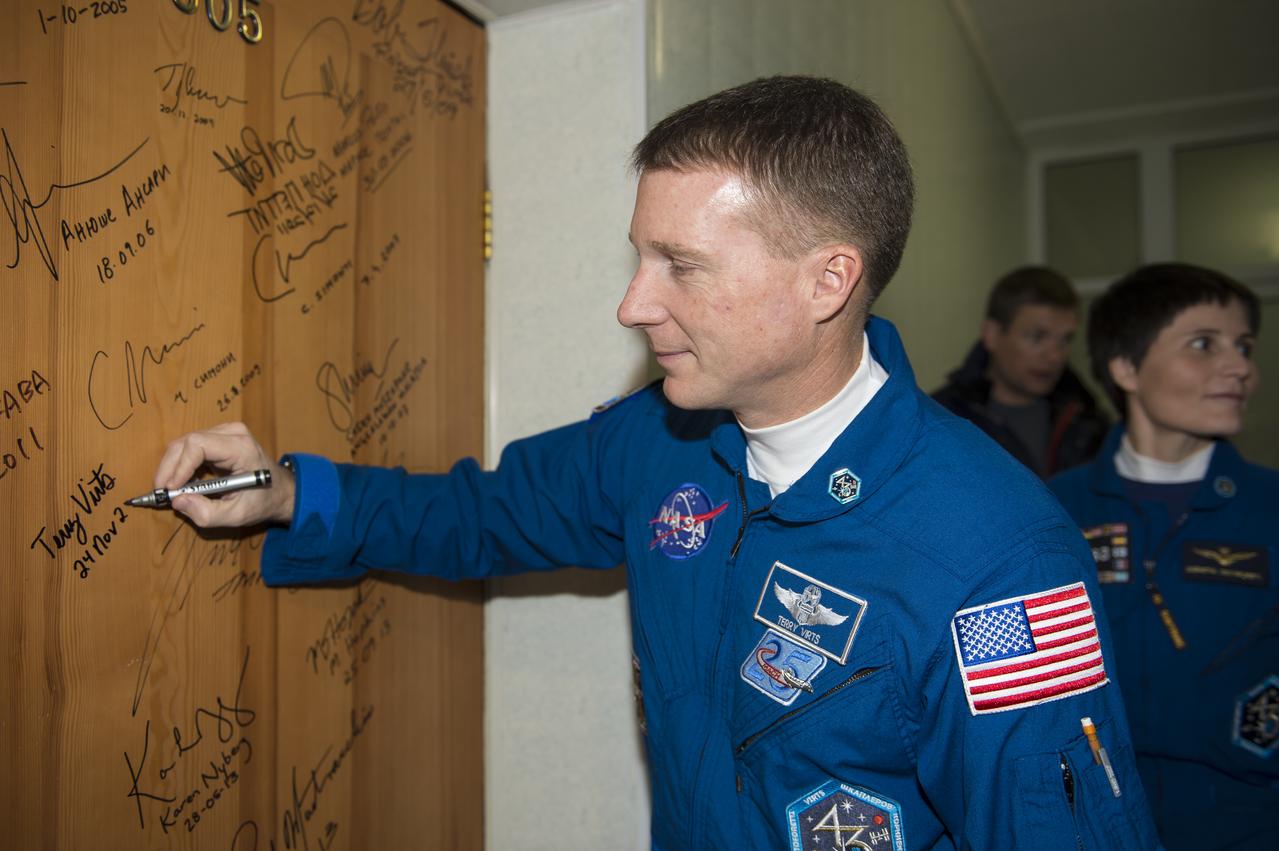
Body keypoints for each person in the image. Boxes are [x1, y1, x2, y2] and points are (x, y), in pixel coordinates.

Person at [153, 77, 1156, 849]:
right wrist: (286, 491)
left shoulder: (997, 556)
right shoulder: (661, 440)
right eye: (639, 256)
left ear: (827, 279)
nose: (633, 305)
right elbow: (483, 513)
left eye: (681, 265)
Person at [1049, 263, 1278, 850]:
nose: (1241, 368)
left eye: (1245, 347)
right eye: (1204, 344)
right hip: (1092, 827)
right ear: (1126, 367)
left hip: (1246, 823)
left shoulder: (1268, 508)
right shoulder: (1054, 510)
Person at [932, 266, 1108, 477]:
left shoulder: (1090, 422)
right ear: (992, 335)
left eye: (1065, 340)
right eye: (1037, 337)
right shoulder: (943, 420)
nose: (1055, 356)